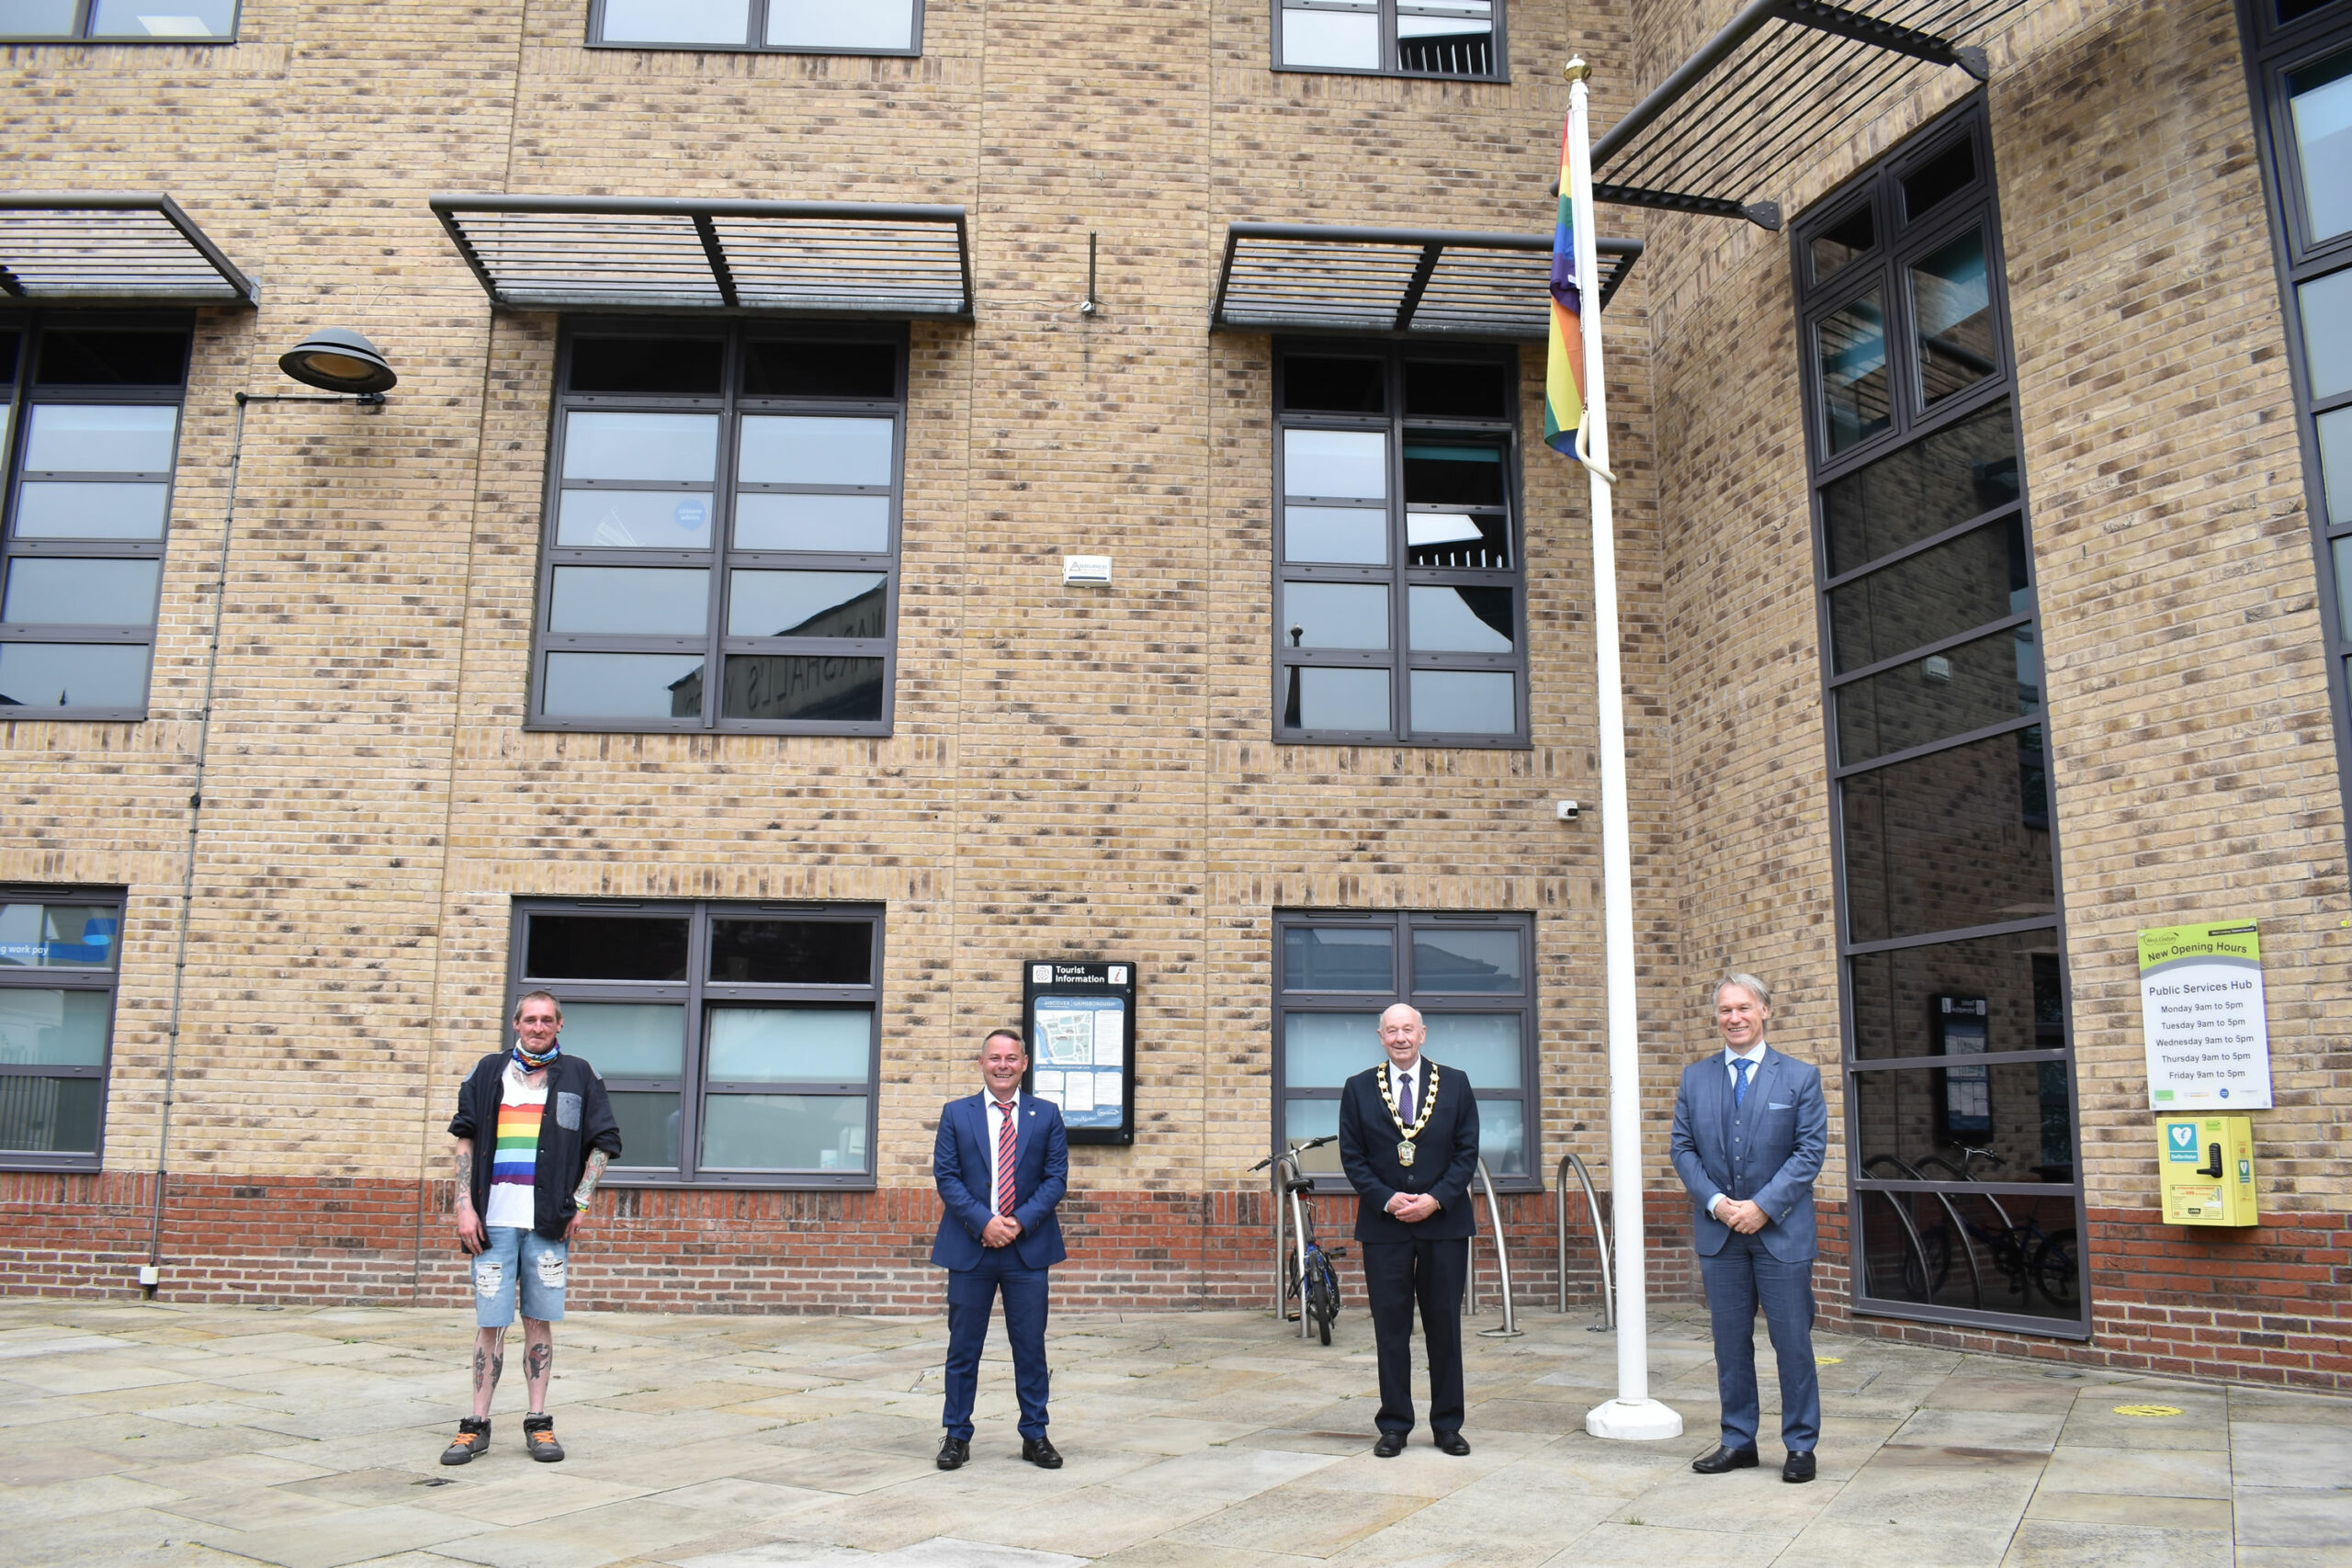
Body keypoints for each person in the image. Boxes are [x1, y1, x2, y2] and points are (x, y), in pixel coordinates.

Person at [441, 989, 621, 1466]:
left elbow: (603, 1144)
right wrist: (464, 1207)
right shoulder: (487, 1073)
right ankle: (475, 1425)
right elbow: (464, 1141)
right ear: (516, 1024)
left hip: (548, 1223)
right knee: (490, 1324)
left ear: (559, 1025)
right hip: (492, 1220)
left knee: (538, 1322)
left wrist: (581, 1201)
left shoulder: (580, 1075)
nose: (537, 1027)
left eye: (546, 1020)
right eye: (529, 1019)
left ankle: (538, 1423)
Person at [1670, 972, 1828, 1483]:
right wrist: (1718, 1204)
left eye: (1743, 1008)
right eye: (1725, 1010)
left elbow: (1809, 1153)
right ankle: (1738, 1440)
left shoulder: (1800, 1077)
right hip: (1721, 1236)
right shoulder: (1695, 1077)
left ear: (1764, 1012)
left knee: (1793, 1344)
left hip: (1781, 1234)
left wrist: (1761, 1207)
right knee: (1729, 1343)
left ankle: (1800, 1445)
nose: (1734, 1018)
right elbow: (1682, 1149)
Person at [1338, 1002, 1480, 1458]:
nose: (1400, 1038)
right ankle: (1395, 1424)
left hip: (1444, 1224)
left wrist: (1436, 1199)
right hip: (1385, 1226)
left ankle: (1448, 1426)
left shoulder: (1455, 1083)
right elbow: (1352, 1156)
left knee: (1445, 1327)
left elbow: (1466, 1151)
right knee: (1391, 1329)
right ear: (1380, 1037)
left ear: (1423, 1034)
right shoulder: (1358, 1088)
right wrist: (1386, 1197)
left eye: (1408, 1030)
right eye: (1391, 1031)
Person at [931, 1026, 1069, 1472]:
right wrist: (984, 1223)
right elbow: (946, 1177)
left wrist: (1017, 1223)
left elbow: (1056, 1179)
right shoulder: (956, 1114)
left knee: (1030, 1346)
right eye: (995, 1058)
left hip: (1027, 1250)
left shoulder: (1046, 1115)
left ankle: (1035, 1434)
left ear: (1024, 1064)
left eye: (1011, 1058)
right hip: (970, 1248)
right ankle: (956, 1435)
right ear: (981, 1063)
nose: (1003, 1065)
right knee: (963, 1348)